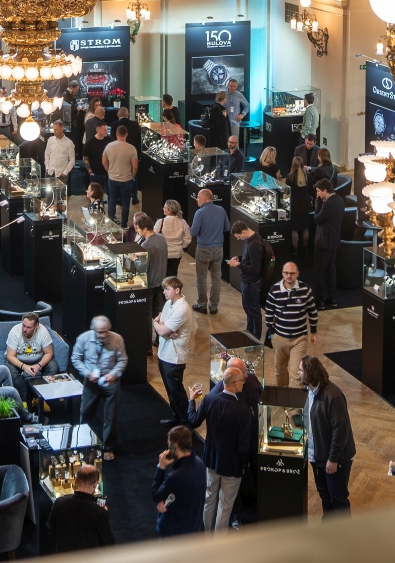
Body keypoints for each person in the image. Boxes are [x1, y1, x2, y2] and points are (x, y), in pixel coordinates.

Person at [187, 363, 251, 532]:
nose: (244, 383)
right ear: (235, 384)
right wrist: (244, 464)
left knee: (209, 499)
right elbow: (244, 445)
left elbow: (193, 421)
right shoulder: (243, 411)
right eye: (242, 380)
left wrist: (191, 400)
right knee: (225, 506)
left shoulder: (209, 400)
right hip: (232, 465)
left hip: (211, 460)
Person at [301, 355, 355, 513]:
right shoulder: (309, 391)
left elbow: (340, 431)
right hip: (317, 456)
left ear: (309, 374)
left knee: (338, 499)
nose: (298, 373)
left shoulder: (333, 396)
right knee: (325, 496)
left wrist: (332, 459)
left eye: (300, 370)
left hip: (334, 459)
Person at [72, 314, 126, 458]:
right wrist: (87, 373)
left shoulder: (117, 339)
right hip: (91, 382)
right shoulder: (83, 338)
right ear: (93, 330)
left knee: (110, 417)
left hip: (111, 383)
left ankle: (108, 448)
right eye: (100, 332)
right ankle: (84, 444)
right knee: (86, 414)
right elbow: (76, 358)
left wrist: (113, 374)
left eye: (105, 331)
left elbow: (122, 360)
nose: (103, 335)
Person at [263, 260, 319, 385]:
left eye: (292, 273)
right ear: (282, 273)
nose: (289, 276)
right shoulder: (274, 290)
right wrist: (272, 334)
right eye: (286, 273)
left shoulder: (305, 289)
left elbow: (312, 312)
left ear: (297, 274)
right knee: (280, 371)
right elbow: (269, 313)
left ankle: (294, 398)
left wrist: (313, 332)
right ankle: (281, 395)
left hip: (299, 339)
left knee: (297, 374)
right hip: (279, 338)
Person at [43, 462, 112, 554]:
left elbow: (50, 529)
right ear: (95, 484)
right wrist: (105, 514)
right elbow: (108, 544)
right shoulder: (100, 513)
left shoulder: (59, 503)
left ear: (76, 480)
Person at [151, 423, 207, 537]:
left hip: (174, 532)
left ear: (174, 445)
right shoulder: (199, 463)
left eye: (169, 445)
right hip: (193, 526)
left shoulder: (175, 477)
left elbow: (155, 495)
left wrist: (161, 467)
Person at [153, 275, 192, 427]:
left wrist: (156, 323)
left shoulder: (182, 308)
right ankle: (176, 417)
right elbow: (162, 322)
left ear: (177, 290)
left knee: (176, 392)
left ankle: (185, 422)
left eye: (167, 289)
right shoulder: (169, 303)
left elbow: (161, 330)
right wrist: (162, 326)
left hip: (175, 357)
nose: (164, 292)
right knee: (170, 391)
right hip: (164, 353)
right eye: (164, 289)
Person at [188, 187, 229, 314]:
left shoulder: (199, 213)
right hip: (219, 249)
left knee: (201, 278)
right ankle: (213, 306)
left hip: (203, 249)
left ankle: (202, 305)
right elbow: (227, 227)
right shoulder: (221, 210)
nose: (197, 200)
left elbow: (193, 232)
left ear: (205, 199)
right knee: (216, 279)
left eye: (198, 198)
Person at [228, 221, 270, 337]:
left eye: (239, 236)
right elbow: (250, 258)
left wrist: (238, 264)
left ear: (244, 232)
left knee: (254, 312)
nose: (238, 239)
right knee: (248, 309)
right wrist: (239, 258)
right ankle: (249, 333)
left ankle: (255, 338)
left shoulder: (255, 245)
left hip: (251, 283)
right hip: (247, 282)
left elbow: (255, 269)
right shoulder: (249, 239)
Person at [3, 311, 56, 406]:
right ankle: (24, 399)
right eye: (23, 325)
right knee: (9, 369)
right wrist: (24, 366)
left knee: (53, 366)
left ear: (36, 326)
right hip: (19, 360)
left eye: (28, 327)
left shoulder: (42, 331)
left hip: (37, 359)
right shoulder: (15, 332)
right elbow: (10, 356)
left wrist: (39, 365)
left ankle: (40, 397)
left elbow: (49, 353)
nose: (24, 329)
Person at [101, 123, 139, 228]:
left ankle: (111, 223)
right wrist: (132, 176)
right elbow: (135, 166)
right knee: (126, 203)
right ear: (126, 134)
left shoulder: (109, 146)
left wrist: (109, 171)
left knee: (112, 201)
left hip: (112, 178)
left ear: (116, 134)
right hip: (127, 179)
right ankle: (124, 225)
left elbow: (104, 162)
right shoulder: (131, 148)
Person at [311, 182, 343, 306]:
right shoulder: (339, 199)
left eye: (318, 191)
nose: (317, 194)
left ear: (325, 190)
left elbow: (317, 219)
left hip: (323, 242)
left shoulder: (328, 204)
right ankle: (332, 299)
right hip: (334, 240)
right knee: (331, 270)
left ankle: (320, 301)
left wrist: (317, 206)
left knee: (319, 272)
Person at [152, 199, 190, 279]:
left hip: (163, 253)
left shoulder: (160, 222)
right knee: (173, 274)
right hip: (176, 253)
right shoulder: (182, 222)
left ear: (169, 211)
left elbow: (154, 237)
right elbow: (188, 238)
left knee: (161, 275)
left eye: (165, 207)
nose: (163, 208)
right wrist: (181, 246)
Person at [44, 119, 77, 194]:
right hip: (50, 172)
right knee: (49, 195)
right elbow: (47, 154)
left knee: (60, 196)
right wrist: (47, 167)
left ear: (62, 129)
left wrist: (65, 172)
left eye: (56, 129)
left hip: (61, 174)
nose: (54, 132)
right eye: (53, 129)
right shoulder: (50, 140)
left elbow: (72, 160)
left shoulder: (69, 143)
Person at [221, 78, 248, 147]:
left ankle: (236, 154)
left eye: (234, 86)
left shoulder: (239, 95)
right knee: (225, 143)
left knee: (234, 143)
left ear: (237, 86)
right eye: (231, 86)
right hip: (224, 123)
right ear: (228, 85)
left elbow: (247, 106)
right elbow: (217, 105)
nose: (233, 88)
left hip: (235, 123)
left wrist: (242, 114)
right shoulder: (223, 94)